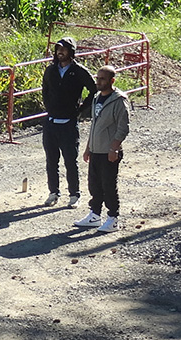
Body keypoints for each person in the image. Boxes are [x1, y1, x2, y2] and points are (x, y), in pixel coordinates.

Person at [41, 37, 96, 208]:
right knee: (51, 161)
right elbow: (45, 89)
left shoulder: (79, 71)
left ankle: (74, 195)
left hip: (69, 124)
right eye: (58, 49)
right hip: (51, 123)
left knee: (70, 161)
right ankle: (53, 193)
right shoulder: (50, 70)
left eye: (64, 49)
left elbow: (93, 89)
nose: (60, 52)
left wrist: (81, 110)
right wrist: (49, 106)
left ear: (71, 52)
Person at [75, 65, 130, 233]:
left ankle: (113, 218)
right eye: (97, 78)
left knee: (108, 185)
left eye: (102, 79)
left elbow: (123, 127)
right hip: (96, 150)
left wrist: (113, 149)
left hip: (109, 152)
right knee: (94, 184)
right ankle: (95, 215)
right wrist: (88, 148)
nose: (98, 82)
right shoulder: (96, 98)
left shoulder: (119, 100)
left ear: (112, 81)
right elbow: (94, 125)